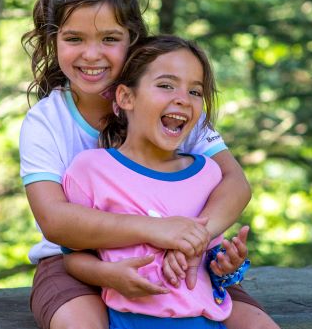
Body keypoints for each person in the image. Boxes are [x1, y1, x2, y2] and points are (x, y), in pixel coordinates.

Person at [19, 0, 280, 329]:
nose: (92, 55)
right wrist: (156, 230)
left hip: (182, 263)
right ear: (53, 41)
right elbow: (56, 222)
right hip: (75, 265)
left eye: (110, 39)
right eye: (74, 39)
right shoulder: (46, 121)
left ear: (133, 40)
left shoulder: (171, 105)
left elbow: (235, 183)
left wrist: (191, 240)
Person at [62, 35, 250, 329]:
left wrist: (227, 266)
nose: (182, 99)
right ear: (126, 98)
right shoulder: (91, 170)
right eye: (166, 85)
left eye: (195, 91)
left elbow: (209, 266)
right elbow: (73, 259)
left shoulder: (209, 175)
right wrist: (106, 274)